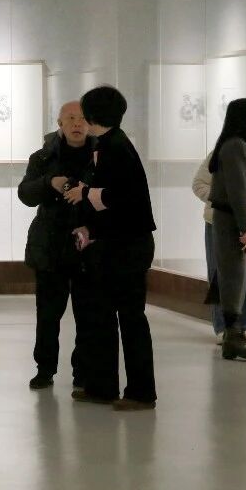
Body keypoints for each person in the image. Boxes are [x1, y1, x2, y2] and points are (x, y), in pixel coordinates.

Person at [69, 85, 157, 411]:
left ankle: (140, 392)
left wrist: (86, 193)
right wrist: (91, 226)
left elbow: (122, 198)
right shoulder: (110, 144)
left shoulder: (116, 147)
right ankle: (102, 386)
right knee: (103, 317)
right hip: (118, 244)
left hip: (128, 247)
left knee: (130, 319)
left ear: (93, 115)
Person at [17, 101, 96, 391]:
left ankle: (83, 373)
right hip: (50, 245)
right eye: (71, 118)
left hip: (88, 245)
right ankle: (45, 369)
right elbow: (25, 194)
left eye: (82, 118)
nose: (77, 124)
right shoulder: (43, 157)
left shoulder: (100, 155)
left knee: (87, 314)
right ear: (60, 123)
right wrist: (49, 183)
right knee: (48, 314)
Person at [193, 123, 246, 346]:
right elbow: (199, 184)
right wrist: (226, 203)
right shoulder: (220, 154)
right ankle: (223, 327)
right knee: (220, 275)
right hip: (219, 225)